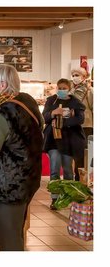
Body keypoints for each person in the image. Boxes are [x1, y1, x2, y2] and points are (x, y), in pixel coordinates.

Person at [0, 64, 43, 251]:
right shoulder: (27, 104)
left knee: (8, 240)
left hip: (8, 185)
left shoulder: (3, 112)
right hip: (28, 180)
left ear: (2, 85)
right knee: (16, 232)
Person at [42, 78, 86, 210]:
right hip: (53, 140)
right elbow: (44, 117)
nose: (61, 90)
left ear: (69, 88)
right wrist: (52, 113)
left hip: (69, 140)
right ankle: (55, 198)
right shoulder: (51, 100)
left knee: (67, 169)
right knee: (54, 168)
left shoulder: (75, 102)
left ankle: (68, 196)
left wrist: (65, 122)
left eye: (64, 88)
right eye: (59, 88)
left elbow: (80, 118)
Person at [69, 67, 93, 180]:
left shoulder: (90, 91)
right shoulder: (71, 91)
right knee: (76, 154)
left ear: (84, 77)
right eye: (73, 75)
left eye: (77, 75)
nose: (75, 77)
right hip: (73, 125)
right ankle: (78, 177)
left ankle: (84, 178)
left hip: (86, 125)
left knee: (85, 154)